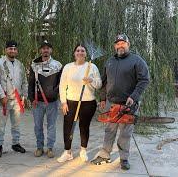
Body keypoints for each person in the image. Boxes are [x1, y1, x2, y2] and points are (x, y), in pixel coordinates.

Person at [91, 34, 150, 170]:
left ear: (128, 45)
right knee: (109, 130)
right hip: (111, 103)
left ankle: (123, 158)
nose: (120, 46)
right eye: (118, 43)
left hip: (128, 104)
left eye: (123, 43)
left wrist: (134, 96)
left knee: (125, 133)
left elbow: (144, 80)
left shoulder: (137, 60)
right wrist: (103, 98)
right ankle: (105, 154)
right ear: (115, 46)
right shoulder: (110, 61)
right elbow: (104, 81)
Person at [57, 44, 102, 163]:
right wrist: (63, 102)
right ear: (74, 53)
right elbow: (62, 85)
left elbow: (99, 84)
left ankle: (83, 150)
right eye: (78, 50)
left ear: (86, 54)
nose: (80, 52)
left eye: (83, 51)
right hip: (71, 102)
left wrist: (91, 80)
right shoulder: (68, 67)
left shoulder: (92, 67)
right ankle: (67, 152)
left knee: (84, 126)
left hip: (88, 102)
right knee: (68, 127)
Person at [0, 40, 28, 158]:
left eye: (14, 49)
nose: (12, 51)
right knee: (1, 125)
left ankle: (16, 143)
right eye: (10, 49)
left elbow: (24, 81)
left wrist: (24, 96)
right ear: (5, 50)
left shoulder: (20, 64)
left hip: (17, 99)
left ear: (16, 51)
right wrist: (2, 96)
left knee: (16, 124)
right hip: (4, 100)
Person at [28, 40, 62, 158]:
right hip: (38, 102)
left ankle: (50, 148)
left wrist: (55, 93)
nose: (45, 50)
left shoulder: (58, 65)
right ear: (40, 50)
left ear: (51, 50)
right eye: (43, 48)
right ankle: (39, 147)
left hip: (52, 102)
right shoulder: (34, 64)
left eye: (48, 48)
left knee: (51, 125)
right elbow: (30, 83)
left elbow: (61, 83)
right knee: (38, 126)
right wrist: (31, 98)